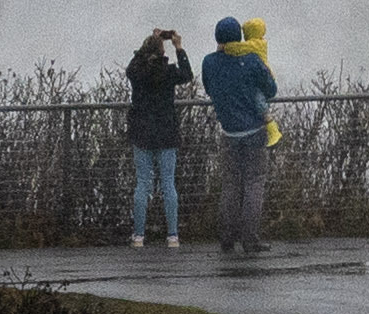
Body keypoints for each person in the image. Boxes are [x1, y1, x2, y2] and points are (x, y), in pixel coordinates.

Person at [199, 15, 282, 253]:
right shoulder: (252, 60)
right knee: (254, 183)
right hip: (254, 130)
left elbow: (209, 88)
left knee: (230, 185)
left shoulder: (209, 63)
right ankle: (250, 238)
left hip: (229, 132)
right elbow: (271, 90)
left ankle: (227, 238)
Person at [120, 28, 190, 248]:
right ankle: (173, 236)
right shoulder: (168, 72)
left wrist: (151, 42)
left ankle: (139, 236)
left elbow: (130, 68)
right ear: (162, 52)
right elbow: (187, 74)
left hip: (142, 132)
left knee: (143, 184)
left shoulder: (137, 72)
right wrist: (178, 47)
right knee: (168, 183)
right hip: (166, 132)